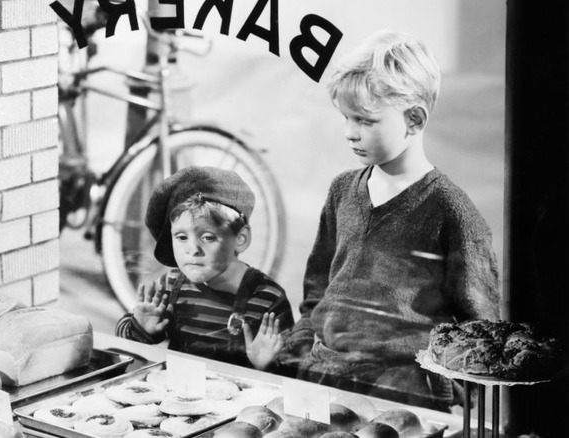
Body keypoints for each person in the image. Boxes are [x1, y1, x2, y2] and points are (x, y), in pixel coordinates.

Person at [280, 30, 500, 411]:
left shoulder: (453, 211)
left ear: (413, 119)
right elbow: (318, 286)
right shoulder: (342, 190)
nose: (350, 132)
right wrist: (301, 349)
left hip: (403, 392)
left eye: (365, 120)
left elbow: (480, 328)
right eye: (346, 118)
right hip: (325, 377)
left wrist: (451, 395)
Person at [115, 166, 295, 371]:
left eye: (208, 237)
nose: (193, 249)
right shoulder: (170, 285)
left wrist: (268, 365)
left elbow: (294, 374)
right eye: (181, 237)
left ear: (241, 239)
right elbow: (123, 341)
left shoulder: (268, 299)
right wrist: (141, 329)